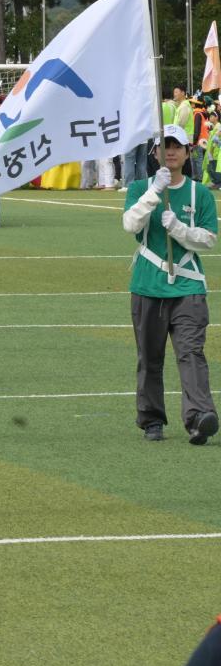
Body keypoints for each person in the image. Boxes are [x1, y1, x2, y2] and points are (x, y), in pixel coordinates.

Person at [119, 124, 219, 445]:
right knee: (149, 356)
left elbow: (208, 239)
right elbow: (130, 223)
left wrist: (179, 229)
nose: (171, 151)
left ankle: (199, 416)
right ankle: (151, 418)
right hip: (148, 284)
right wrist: (153, 194)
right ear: (155, 153)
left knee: (191, 353)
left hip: (188, 287)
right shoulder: (139, 188)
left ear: (188, 152)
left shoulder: (199, 193)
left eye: (177, 146)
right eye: (164, 146)